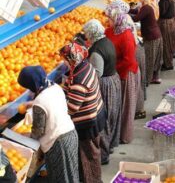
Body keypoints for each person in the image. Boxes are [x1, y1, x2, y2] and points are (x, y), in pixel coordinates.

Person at [17, 66, 79, 183]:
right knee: (71, 174)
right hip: (71, 135)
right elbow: (49, 104)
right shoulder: (55, 87)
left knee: (61, 178)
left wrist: (26, 136)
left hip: (58, 144)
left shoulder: (39, 102)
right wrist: (32, 104)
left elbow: (38, 132)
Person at [60, 42, 105, 183]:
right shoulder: (84, 66)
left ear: (71, 59)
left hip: (87, 123)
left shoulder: (80, 79)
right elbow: (69, 85)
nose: (64, 63)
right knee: (93, 152)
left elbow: (72, 108)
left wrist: (56, 106)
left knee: (88, 156)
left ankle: (92, 180)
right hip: (96, 113)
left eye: (65, 59)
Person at [83, 19, 122, 165]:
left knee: (103, 119)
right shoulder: (107, 41)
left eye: (86, 34)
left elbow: (96, 73)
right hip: (113, 79)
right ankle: (110, 145)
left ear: (91, 34)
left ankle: (103, 155)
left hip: (105, 84)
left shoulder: (96, 51)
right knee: (112, 115)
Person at [105, 3, 141, 144]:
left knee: (126, 106)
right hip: (116, 73)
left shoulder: (126, 36)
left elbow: (128, 61)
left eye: (110, 18)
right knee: (116, 106)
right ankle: (115, 134)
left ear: (117, 19)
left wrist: (113, 69)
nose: (108, 21)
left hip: (127, 74)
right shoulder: (110, 31)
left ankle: (124, 136)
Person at [130, 0, 163, 85]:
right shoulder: (146, 6)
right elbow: (136, 12)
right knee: (155, 58)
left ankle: (147, 80)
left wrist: (125, 16)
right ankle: (154, 77)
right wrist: (128, 10)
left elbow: (136, 18)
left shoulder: (146, 8)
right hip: (155, 35)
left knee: (149, 58)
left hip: (151, 36)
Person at [157, 0, 175, 71]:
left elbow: (162, 12)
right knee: (169, 43)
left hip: (166, 23)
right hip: (170, 22)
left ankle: (168, 64)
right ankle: (168, 62)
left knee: (166, 43)